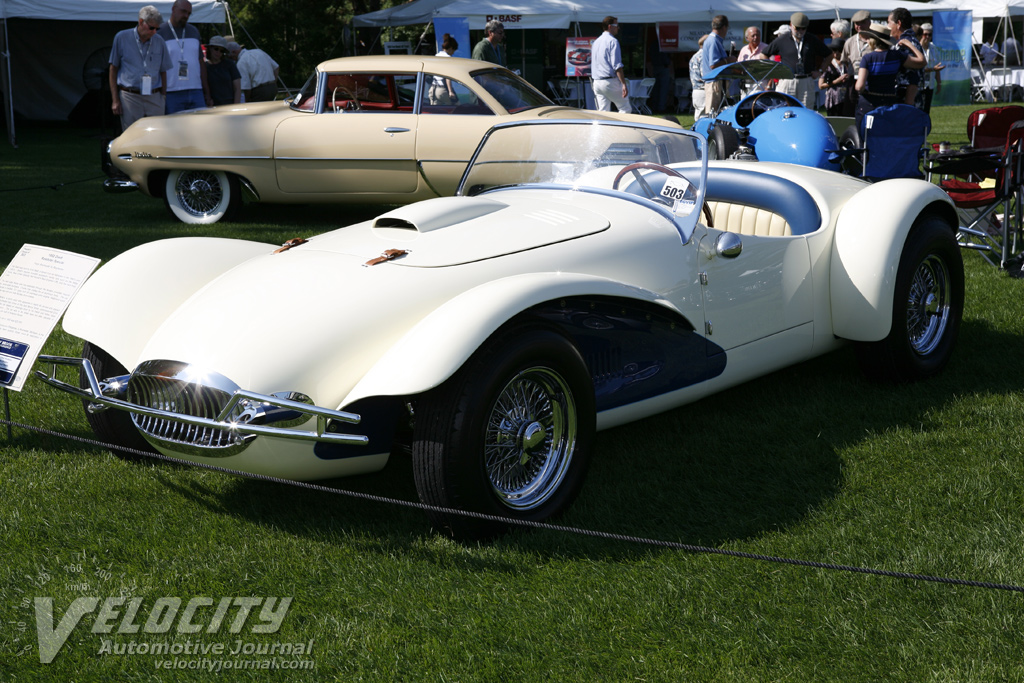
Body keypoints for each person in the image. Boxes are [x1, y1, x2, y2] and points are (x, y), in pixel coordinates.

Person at [108, 5, 172, 131]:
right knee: (132, 135)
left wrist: (163, 97)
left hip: (154, 96)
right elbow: (113, 69)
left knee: (156, 135)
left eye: (157, 29)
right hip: (130, 97)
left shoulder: (159, 41)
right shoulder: (121, 37)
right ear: (141, 22)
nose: (154, 32)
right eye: (151, 28)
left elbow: (163, 71)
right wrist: (115, 100)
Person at [854, 22, 922, 126]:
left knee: (864, 133)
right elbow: (921, 61)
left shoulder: (867, 58)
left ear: (873, 40)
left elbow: (859, 86)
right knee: (885, 132)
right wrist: (910, 45)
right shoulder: (897, 56)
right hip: (889, 102)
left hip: (869, 103)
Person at [759, 12, 831, 109]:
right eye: (797, 28)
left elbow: (829, 55)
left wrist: (820, 71)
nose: (800, 31)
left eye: (803, 28)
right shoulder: (782, 39)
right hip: (787, 80)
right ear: (791, 25)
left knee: (806, 111)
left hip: (806, 80)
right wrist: (774, 72)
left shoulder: (812, 39)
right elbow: (763, 54)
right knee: (785, 110)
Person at [158, 0, 210, 113]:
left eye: (189, 13)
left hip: (196, 90)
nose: (186, 16)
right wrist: (162, 92)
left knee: (200, 123)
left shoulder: (194, 31)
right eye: (183, 11)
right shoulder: (160, 32)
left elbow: (200, 62)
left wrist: (207, 92)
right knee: (174, 124)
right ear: (173, 9)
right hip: (171, 91)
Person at [591, 16, 631, 113]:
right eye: (616, 25)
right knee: (625, 108)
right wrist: (623, 84)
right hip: (609, 81)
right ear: (610, 26)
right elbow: (617, 65)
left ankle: (601, 124)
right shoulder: (613, 41)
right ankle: (622, 124)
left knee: (603, 112)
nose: (618, 28)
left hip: (597, 82)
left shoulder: (596, 42)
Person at [888, 8, 925, 106]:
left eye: (889, 23)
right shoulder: (911, 41)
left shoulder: (904, 44)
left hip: (905, 102)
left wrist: (908, 105)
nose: (888, 27)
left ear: (898, 23)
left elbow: (913, 75)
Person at [227, 37, 280, 102]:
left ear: (234, 52)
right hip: (273, 88)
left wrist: (247, 101)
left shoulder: (241, 62)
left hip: (259, 92)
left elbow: (246, 87)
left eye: (230, 57)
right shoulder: (259, 51)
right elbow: (276, 67)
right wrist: (273, 82)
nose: (232, 59)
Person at [702, 15, 732, 116]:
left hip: (716, 83)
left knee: (716, 114)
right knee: (712, 115)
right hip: (715, 83)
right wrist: (729, 60)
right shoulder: (713, 41)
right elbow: (713, 65)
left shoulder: (714, 40)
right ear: (724, 27)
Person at [819, 38, 853, 115]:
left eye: (839, 50)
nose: (837, 53)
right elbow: (821, 85)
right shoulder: (828, 65)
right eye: (834, 50)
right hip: (833, 100)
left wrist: (849, 77)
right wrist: (836, 81)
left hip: (847, 98)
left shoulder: (848, 64)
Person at [204, 36, 240, 106]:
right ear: (210, 48)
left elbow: (237, 88)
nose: (218, 52)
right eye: (216, 49)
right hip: (212, 106)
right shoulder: (204, 67)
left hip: (230, 105)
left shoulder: (230, 64)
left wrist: (236, 106)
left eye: (222, 51)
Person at [917, 23, 944, 113]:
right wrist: (933, 69)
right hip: (919, 85)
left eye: (930, 34)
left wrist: (939, 83)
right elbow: (918, 68)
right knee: (918, 110)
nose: (927, 37)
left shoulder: (933, 48)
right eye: (925, 34)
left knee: (926, 110)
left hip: (930, 85)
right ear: (921, 35)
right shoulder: (916, 48)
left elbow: (937, 67)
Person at [431, 34, 459, 105]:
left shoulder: (436, 56)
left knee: (435, 111)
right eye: (453, 51)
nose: (453, 53)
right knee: (457, 107)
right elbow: (447, 77)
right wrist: (450, 91)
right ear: (451, 48)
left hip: (433, 89)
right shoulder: (448, 58)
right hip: (443, 89)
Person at [737, 25, 764, 97]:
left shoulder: (766, 49)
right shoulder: (744, 50)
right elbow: (739, 67)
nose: (756, 37)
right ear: (747, 38)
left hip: (761, 87)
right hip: (746, 87)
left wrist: (769, 86)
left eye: (758, 35)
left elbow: (774, 68)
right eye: (753, 35)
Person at [689, 35, 707, 117]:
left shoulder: (694, 56)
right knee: (703, 117)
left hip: (696, 90)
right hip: (703, 90)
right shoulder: (704, 56)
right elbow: (705, 75)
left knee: (698, 116)